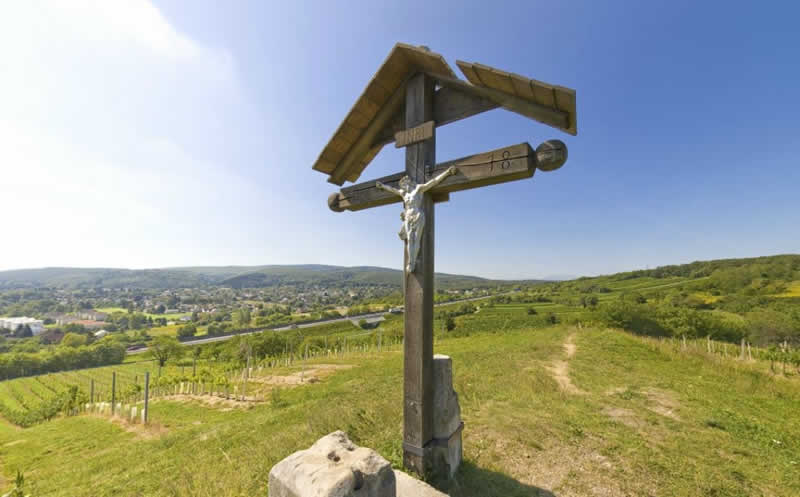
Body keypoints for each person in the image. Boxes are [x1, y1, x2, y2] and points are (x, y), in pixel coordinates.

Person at [376, 166, 458, 273]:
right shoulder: (404, 194)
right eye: (403, 184)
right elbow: (392, 190)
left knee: (417, 239)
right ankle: (411, 262)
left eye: (406, 183)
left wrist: (447, 172)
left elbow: (433, 182)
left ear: (409, 183)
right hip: (408, 217)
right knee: (410, 239)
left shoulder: (418, 189)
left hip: (418, 215)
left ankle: (413, 261)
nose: (405, 186)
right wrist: (382, 186)